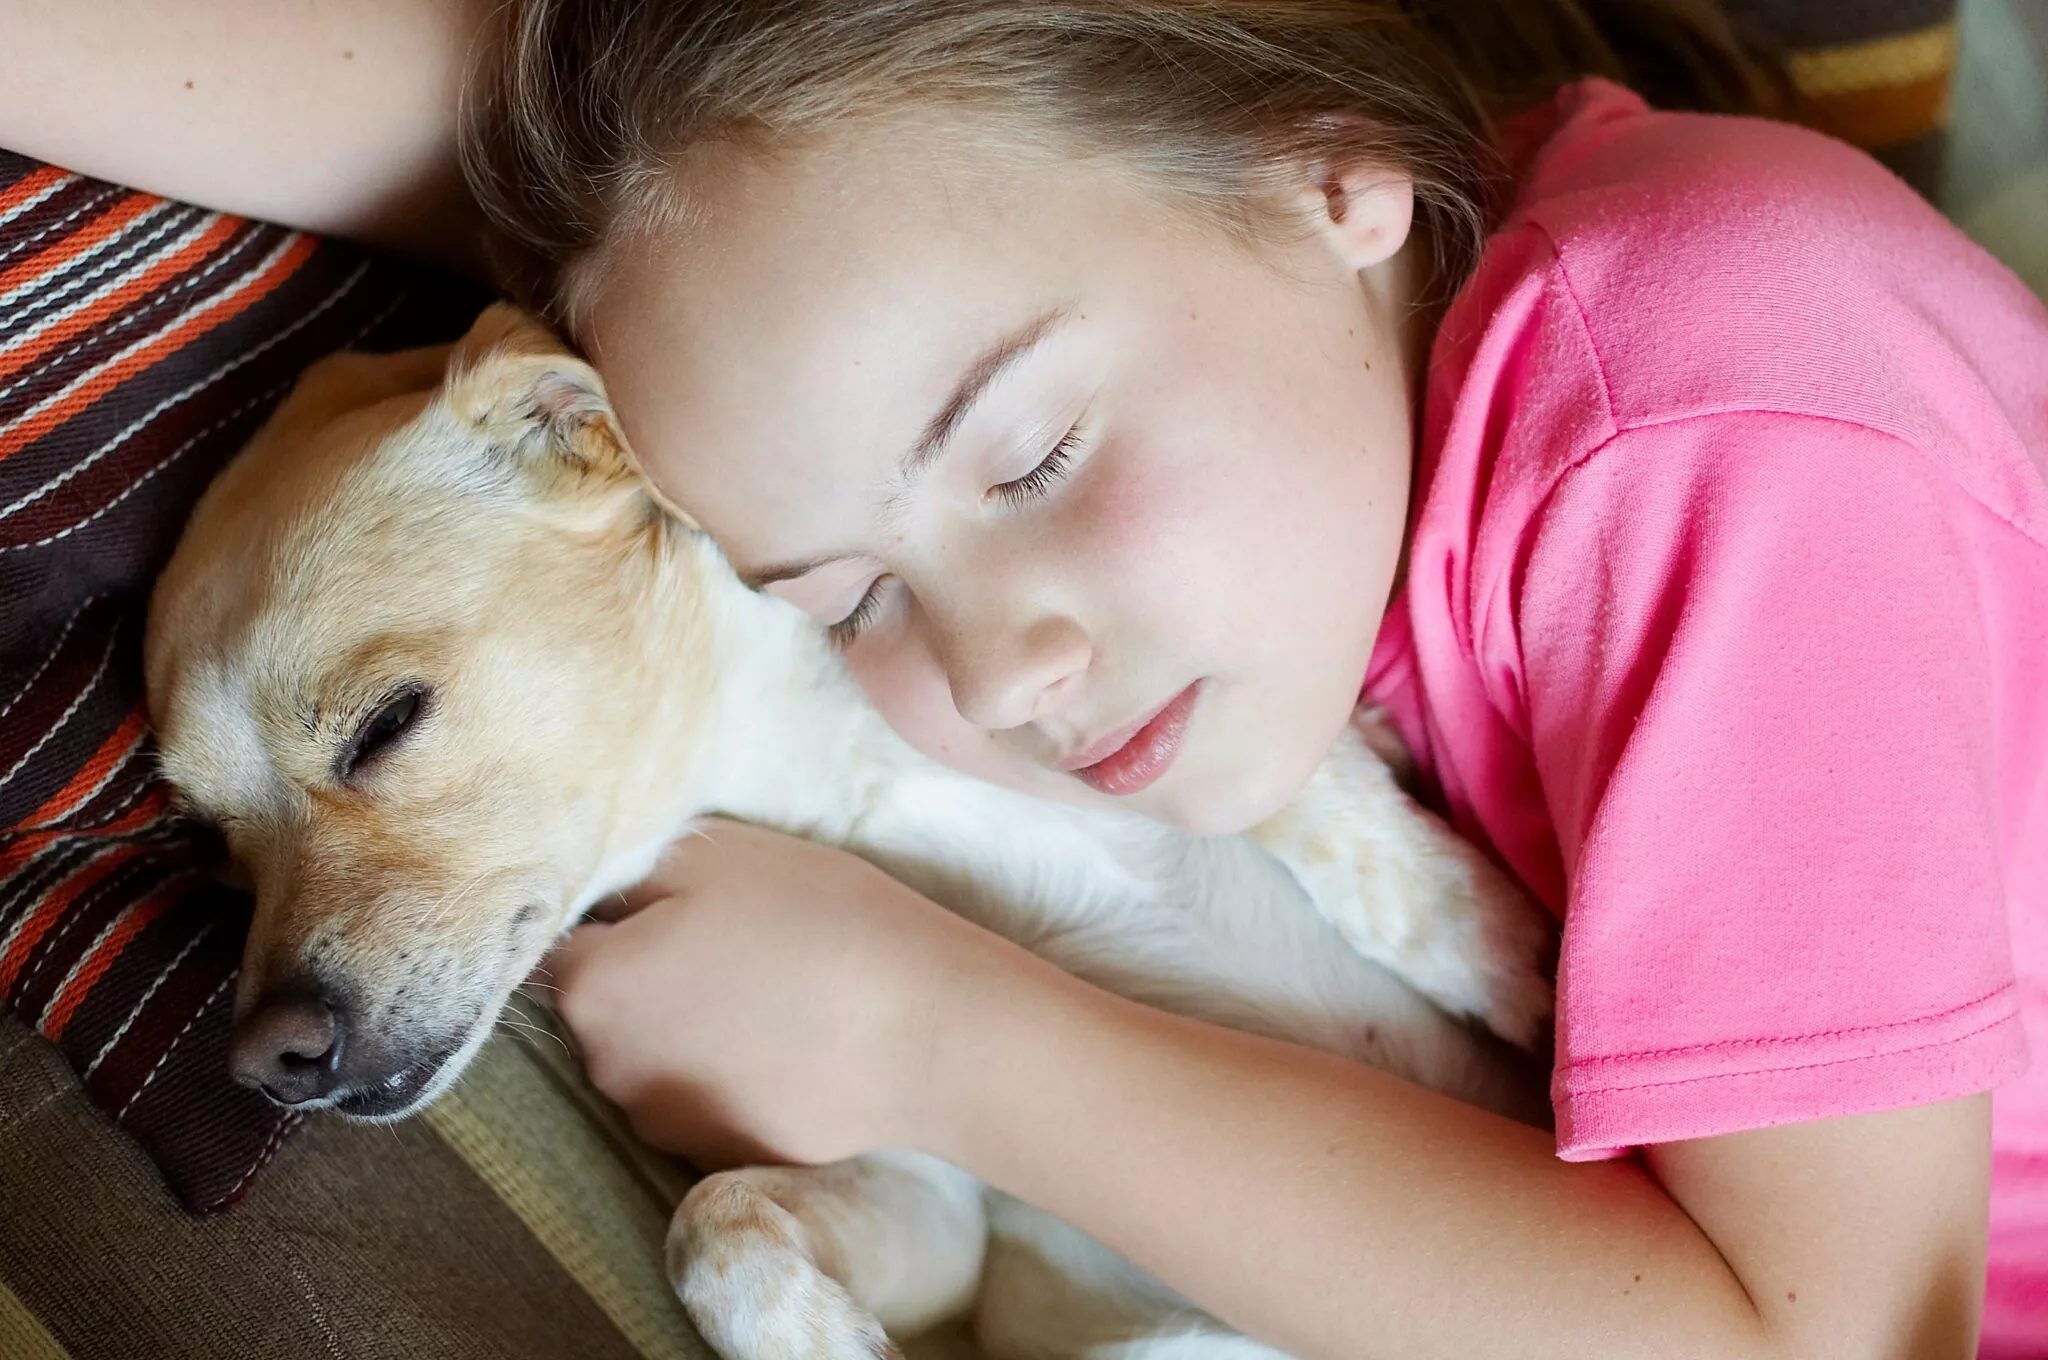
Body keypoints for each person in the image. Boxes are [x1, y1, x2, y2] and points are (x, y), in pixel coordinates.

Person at [6, 2, 2045, 1354]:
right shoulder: (1206, 369)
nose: (1003, 667)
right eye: (847, 595)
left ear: (1319, 169)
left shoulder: (1715, 409)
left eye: (1030, 454)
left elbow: (1831, 1343)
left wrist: (937, 1034)